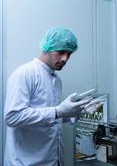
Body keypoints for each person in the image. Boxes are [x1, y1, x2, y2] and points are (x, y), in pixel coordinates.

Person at [4, 27, 102, 166]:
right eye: (61, 52)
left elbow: (51, 118)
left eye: (69, 54)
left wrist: (75, 111)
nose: (65, 59)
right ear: (47, 48)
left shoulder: (56, 80)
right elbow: (12, 117)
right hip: (25, 162)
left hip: (52, 160)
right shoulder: (25, 74)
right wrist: (57, 111)